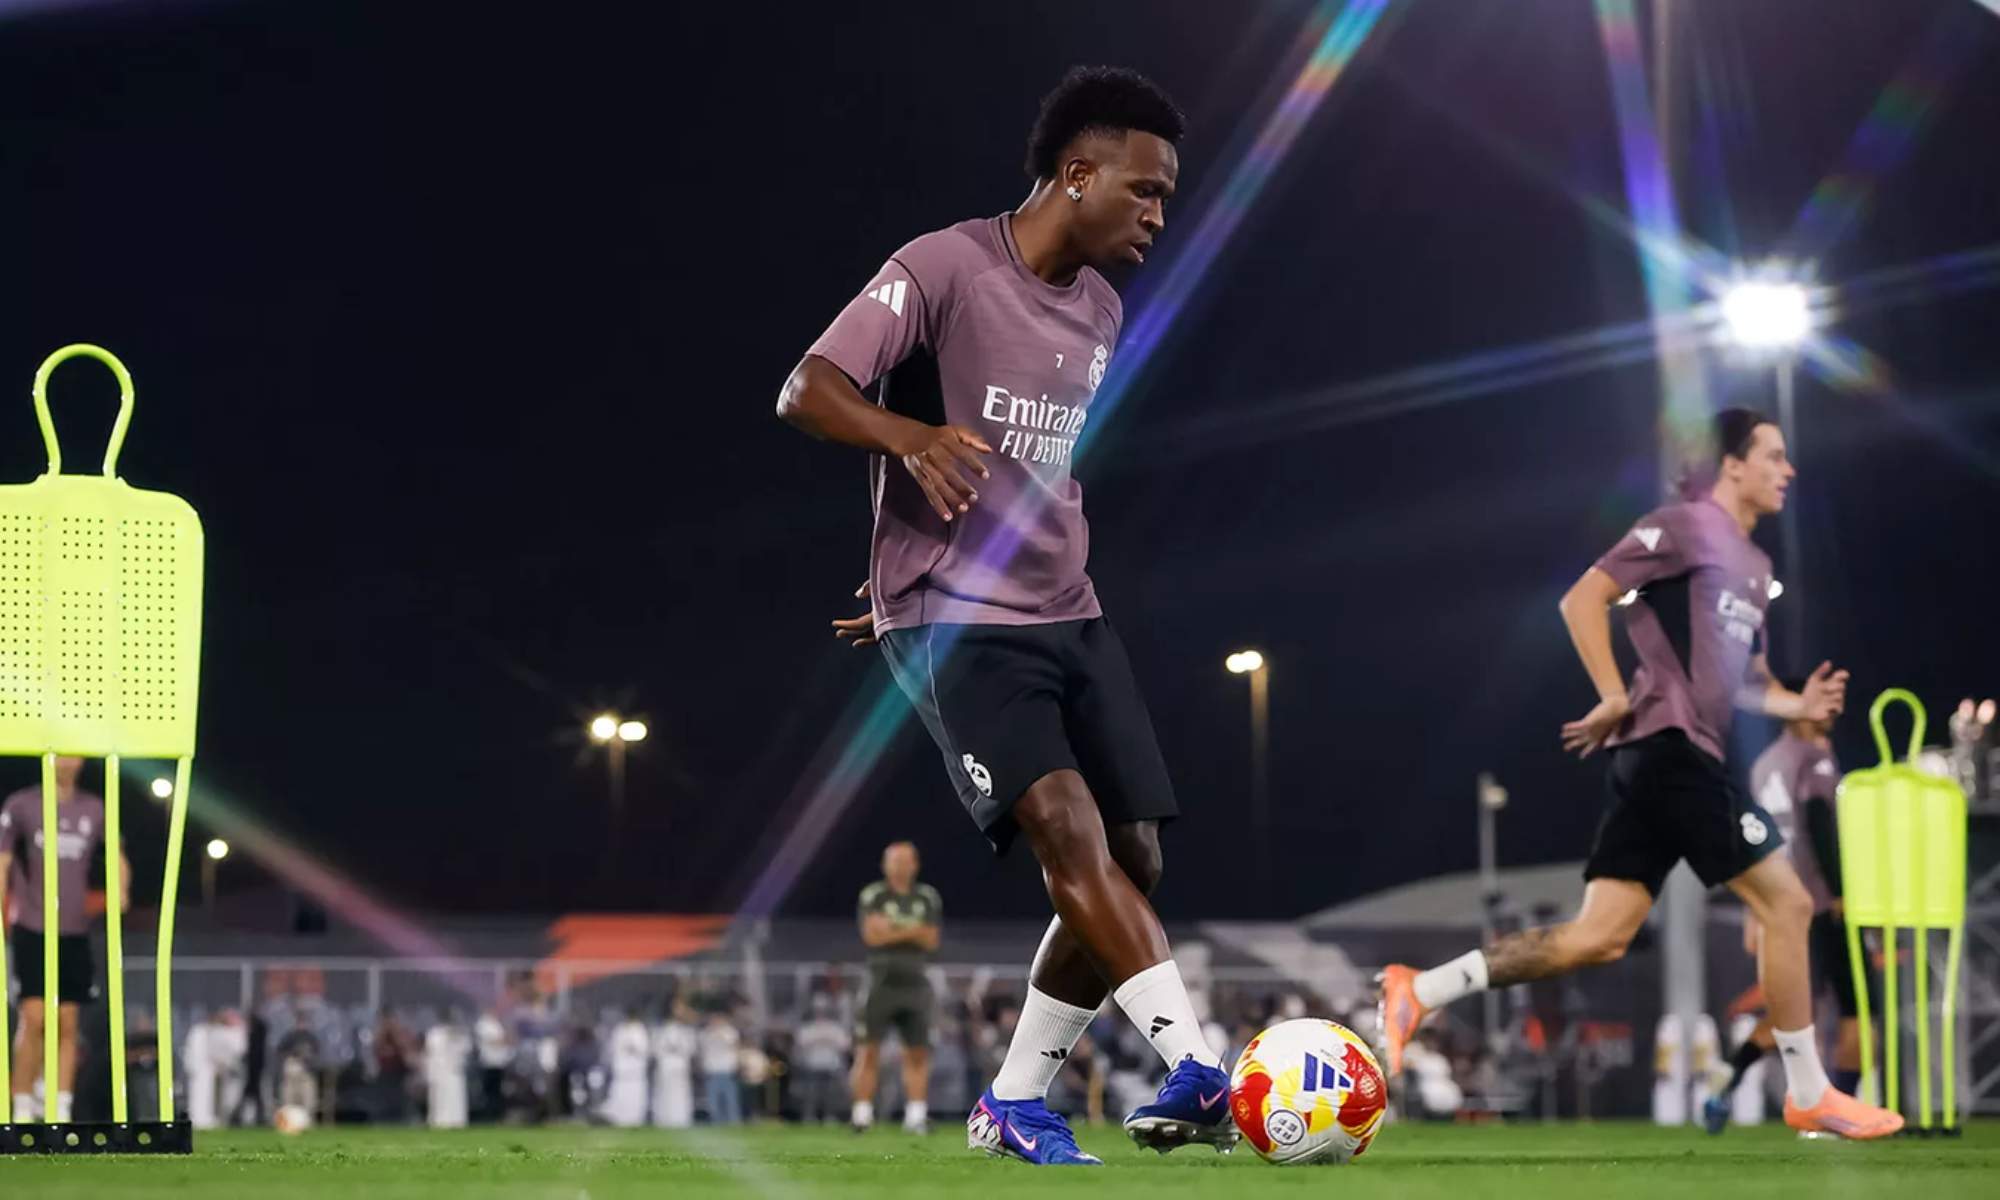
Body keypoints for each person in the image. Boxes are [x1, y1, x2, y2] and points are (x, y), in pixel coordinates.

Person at [779, 65, 1229, 1166]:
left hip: (1066, 604)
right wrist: (907, 453)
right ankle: (1197, 1065)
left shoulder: (1105, 310)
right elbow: (809, 387)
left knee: (1135, 856)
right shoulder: (942, 266)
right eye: (1142, 190)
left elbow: (1030, 470)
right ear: (1075, 173)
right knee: (1067, 830)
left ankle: (1015, 1100)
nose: (1156, 216)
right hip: (954, 621)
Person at [1378, 409, 1904, 1139]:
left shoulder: (1756, 569)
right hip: (1668, 750)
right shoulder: (1683, 526)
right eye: (1775, 456)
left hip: (1667, 762)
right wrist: (1615, 694)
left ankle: (1421, 989)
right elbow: (1582, 598)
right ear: (1733, 465)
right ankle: (1810, 1091)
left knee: (1598, 937)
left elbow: (1744, 679)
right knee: (1788, 905)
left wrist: (1796, 702)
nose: (1788, 470)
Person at [1703, 696, 1866, 1132]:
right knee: (1861, 1011)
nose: (1831, 713)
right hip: (1821, 901)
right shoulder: (1814, 757)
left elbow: (1758, 840)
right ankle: (1840, 1112)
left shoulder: (1763, 765)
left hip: (1776, 902)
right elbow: (1816, 821)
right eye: (1820, 704)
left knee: (1792, 1013)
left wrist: (1753, 909)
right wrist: (1841, 892)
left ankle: (1729, 1071)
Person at [1, 756, 128, 1123]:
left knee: (67, 1022)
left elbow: (116, 855)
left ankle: (60, 1108)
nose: (67, 762)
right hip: (32, 925)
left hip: (74, 930)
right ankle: (22, 1108)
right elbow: (4, 860)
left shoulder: (94, 808)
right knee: (35, 1017)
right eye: (61, 755)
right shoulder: (22, 804)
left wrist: (121, 888)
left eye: (75, 755)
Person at [849, 842, 942, 1134]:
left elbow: (931, 940)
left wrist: (893, 930)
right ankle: (861, 1115)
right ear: (884, 865)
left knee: (917, 1053)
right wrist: (912, 931)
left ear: (915, 864)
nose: (900, 867)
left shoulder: (927, 897)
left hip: (915, 984)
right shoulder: (874, 895)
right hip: (881, 983)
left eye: (905, 861)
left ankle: (915, 1116)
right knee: (868, 1050)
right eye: (894, 861)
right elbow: (873, 936)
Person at [793, 994, 851, 1123]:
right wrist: (821, 1039)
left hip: (831, 1065)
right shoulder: (807, 1028)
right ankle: (809, 1116)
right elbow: (801, 1042)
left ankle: (829, 1116)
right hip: (812, 1065)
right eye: (818, 1010)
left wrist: (827, 1039)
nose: (821, 1013)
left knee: (831, 1094)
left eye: (823, 1010)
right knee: (811, 1094)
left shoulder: (835, 1028)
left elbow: (845, 1044)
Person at [650, 1001, 697, 1128]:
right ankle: (663, 1120)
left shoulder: (685, 1031)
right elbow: (655, 1050)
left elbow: (691, 1049)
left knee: (680, 1096)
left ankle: (681, 1119)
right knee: (664, 1096)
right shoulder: (660, 1030)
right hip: (665, 1068)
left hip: (679, 1068)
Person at [603, 1010, 651, 1127]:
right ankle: (617, 1119)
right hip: (622, 1073)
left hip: (636, 1074)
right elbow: (613, 1049)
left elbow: (644, 1050)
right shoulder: (619, 1030)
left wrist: (632, 1047)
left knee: (636, 1101)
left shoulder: (640, 1030)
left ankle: (635, 1121)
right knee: (620, 1099)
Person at [424, 1013, 471, 1129]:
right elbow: (432, 1051)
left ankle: (456, 1120)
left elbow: (466, 1048)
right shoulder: (434, 1033)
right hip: (439, 1071)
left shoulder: (460, 1033)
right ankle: (439, 1121)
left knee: (455, 1097)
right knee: (438, 1098)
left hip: (454, 1071)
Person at [696, 1009, 742, 1125]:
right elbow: (702, 1051)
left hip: (727, 1071)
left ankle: (733, 1122)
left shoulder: (730, 1032)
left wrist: (737, 1065)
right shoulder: (705, 1033)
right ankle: (716, 1123)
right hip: (712, 1071)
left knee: (730, 1101)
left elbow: (735, 1047)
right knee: (713, 1102)